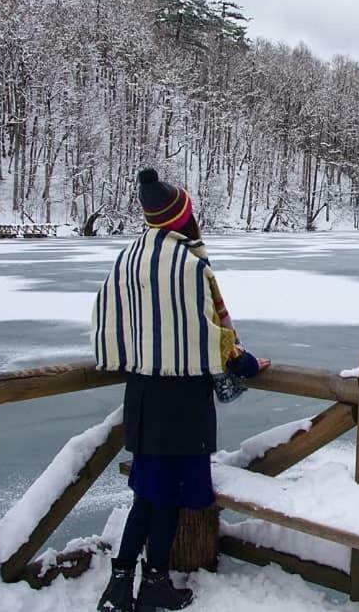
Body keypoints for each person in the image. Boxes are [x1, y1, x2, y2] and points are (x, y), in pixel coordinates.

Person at [93, 168, 267, 612]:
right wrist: (248, 365)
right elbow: (213, 335)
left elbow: (113, 316)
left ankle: (118, 586)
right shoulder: (190, 265)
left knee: (146, 495)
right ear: (182, 217)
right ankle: (154, 585)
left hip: (143, 396)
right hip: (183, 400)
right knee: (166, 500)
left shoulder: (128, 257)